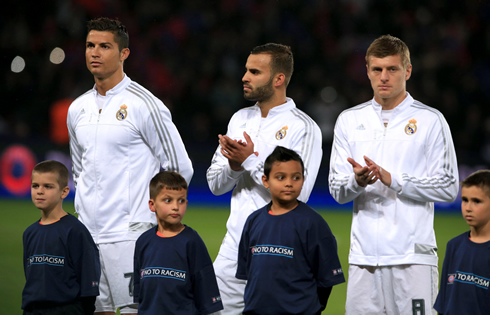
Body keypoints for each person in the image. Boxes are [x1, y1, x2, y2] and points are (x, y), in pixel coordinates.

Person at [67, 17, 193, 315]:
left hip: (130, 235)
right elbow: (79, 171)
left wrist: (152, 222)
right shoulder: (77, 109)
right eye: (90, 45)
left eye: (105, 46)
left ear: (124, 53)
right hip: (87, 237)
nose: (95, 52)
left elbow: (178, 168)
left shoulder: (144, 104)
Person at [328, 34, 459, 315]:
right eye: (377, 69)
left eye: (392, 69)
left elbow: (448, 187)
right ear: (367, 72)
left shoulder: (430, 120)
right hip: (364, 259)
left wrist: (394, 180)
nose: (383, 77)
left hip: (412, 259)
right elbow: (337, 191)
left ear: (407, 71)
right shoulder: (349, 120)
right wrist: (356, 181)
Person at [206, 43, 323, 313]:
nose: (244, 77)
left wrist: (248, 160)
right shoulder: (239, 119)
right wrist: (234, 167)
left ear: (278, 79)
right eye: (247, 70)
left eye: (254, 72)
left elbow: (296, 194)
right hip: (231, 251)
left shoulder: (303, 128)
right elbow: (214, 184)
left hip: (278, 252)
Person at [236, 146, 345, 314]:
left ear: (303, 180)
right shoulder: (253, 221)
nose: (289, 183)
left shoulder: (313, 223)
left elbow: (326, 280)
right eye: (280, 177)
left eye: (296, 177)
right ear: (265, 181)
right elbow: (249, 274)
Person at [133, 171, 223, 314]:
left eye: (181, 201)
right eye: (168, 200)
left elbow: (206, 294)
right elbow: (141, 296)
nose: (176, 206)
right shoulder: (143, 242)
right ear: (152, 205)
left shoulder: (192, 241)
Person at [22, 160, 100, 315]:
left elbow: (88, 279)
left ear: (64, 192)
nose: (40, 191)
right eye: (35, 186)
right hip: (33, 309)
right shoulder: (30, 233)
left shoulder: (75, 231)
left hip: (67, 309)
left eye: (48, 186)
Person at [434, 170, 490, 314]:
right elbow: (444, 302)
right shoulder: (454, 245)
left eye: (476, 201)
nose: (468, 208)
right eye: (465, 200)